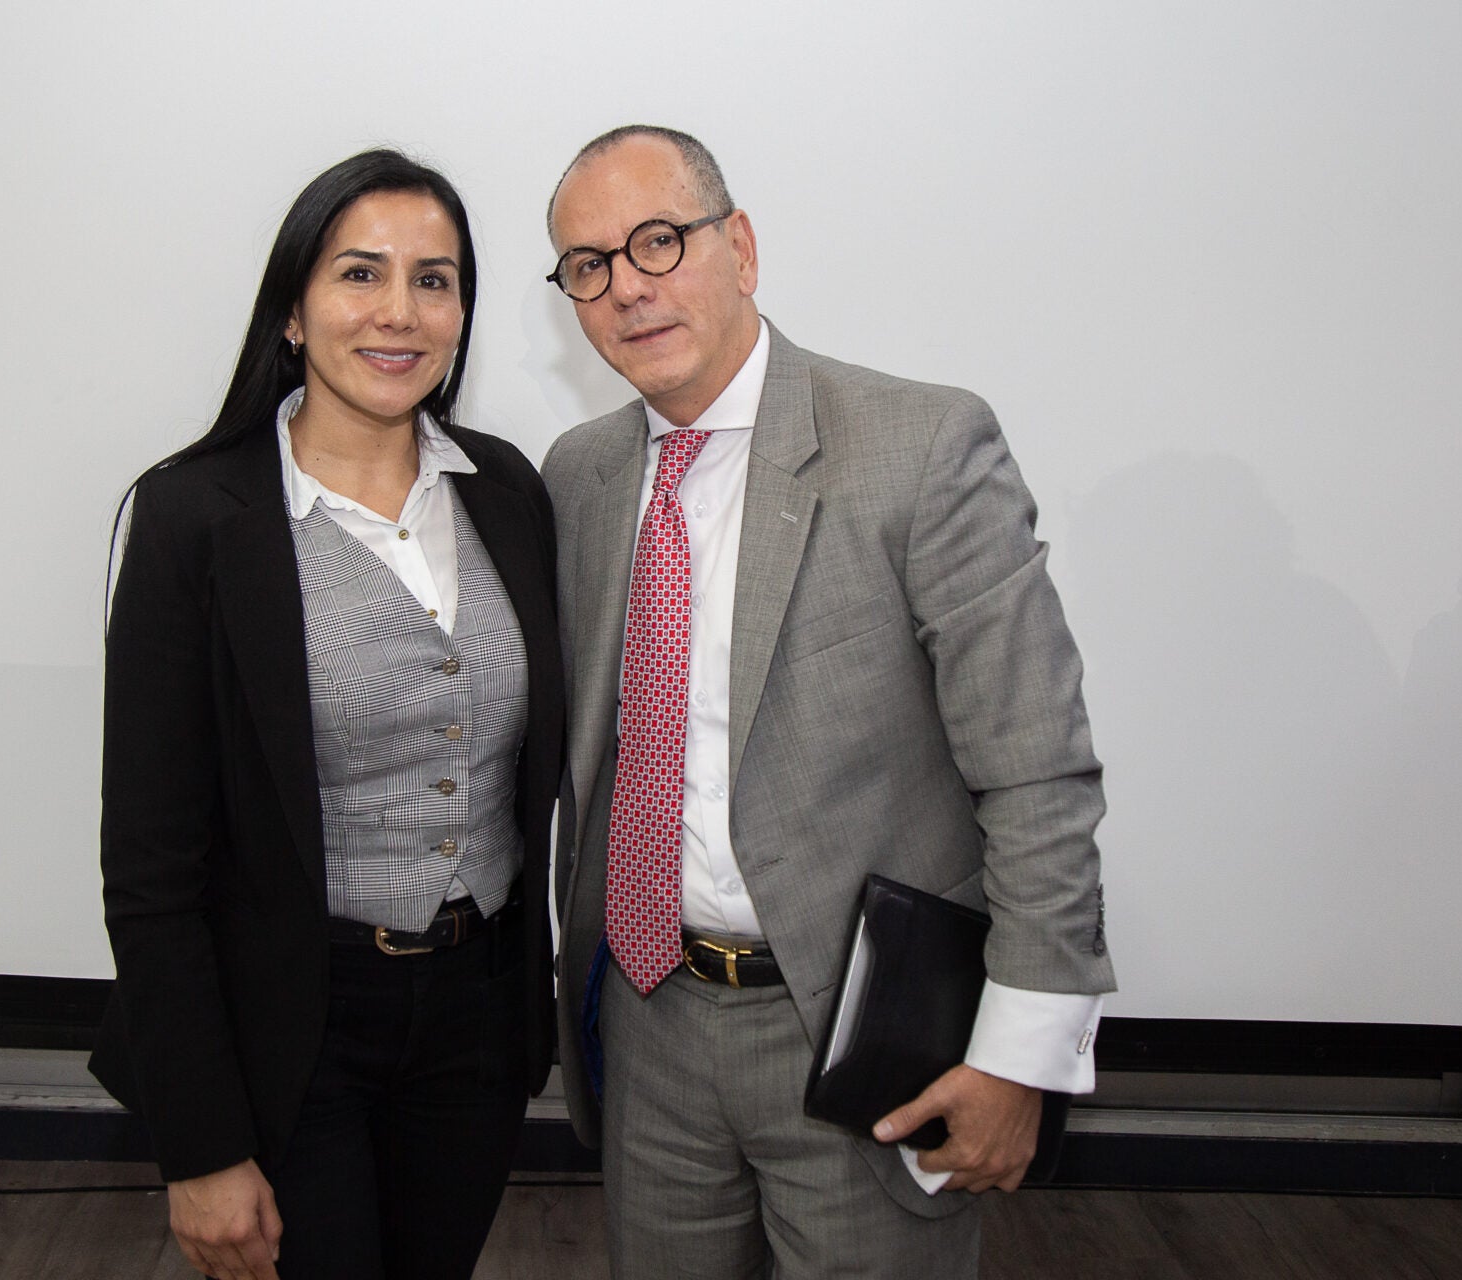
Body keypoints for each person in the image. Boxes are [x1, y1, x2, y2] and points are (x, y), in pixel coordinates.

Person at [541, 125, 1116, 1278]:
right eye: (590, 265)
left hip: (858, 1034)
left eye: (660, 241)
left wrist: (1020, 1053)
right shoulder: (579, 477)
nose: (629, 287)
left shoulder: (921, 445)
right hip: (649, 1024)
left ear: (740, 246)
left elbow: (1036, 764)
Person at [89, 149, 564, 1280]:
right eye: (361, 273)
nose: (400, 311)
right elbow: (150, 862)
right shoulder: (194, 515)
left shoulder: (508, 489)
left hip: (476, 1016)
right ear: (293, 311)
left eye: (435, 280)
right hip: (292, 1027)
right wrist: (200, 1144)